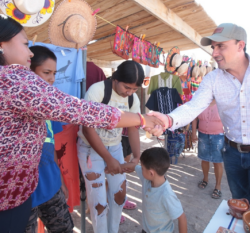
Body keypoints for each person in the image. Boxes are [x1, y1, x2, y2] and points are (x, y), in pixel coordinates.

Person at [0, 15, 164, 232]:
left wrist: (134, 151)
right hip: (10, 196)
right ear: (2, 45)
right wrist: (142, 119)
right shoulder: (14, 79)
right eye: (24, 44)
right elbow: (80, 111)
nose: (30, 52)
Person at [148, 23, 250, 202]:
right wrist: (169, 119)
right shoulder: (213, 78)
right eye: (213, 47)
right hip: (232, 153)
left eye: (221, 46)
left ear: (240, 46)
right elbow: (194, 107)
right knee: (240, 205)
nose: (214, 53)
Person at [77, 60, 144, 233]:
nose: (129, 93)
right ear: (115, 79)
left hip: (115, 147)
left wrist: (136, 157)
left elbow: (133, 127)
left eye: (135, 89)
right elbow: (87, 128)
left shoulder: (132, 99)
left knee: (119, 195)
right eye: (127, 87)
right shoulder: (98, 91)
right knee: (99, 201)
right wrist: (109, 160)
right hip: (90, 150)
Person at [24, 46, 74, 232]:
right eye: (46, 72)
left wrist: (60, 180)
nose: (52, 79)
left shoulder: (49, 107)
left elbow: (51, 146)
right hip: (23, 195)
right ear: (28, 71)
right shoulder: (14, 105)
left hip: (51, 186)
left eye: (54, 73)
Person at [120, 147, 187, 233]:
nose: (141, 169)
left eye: (142, 167)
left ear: (151, 173)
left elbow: (182, 218)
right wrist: (118, 167)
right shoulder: (148, 178)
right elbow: (133, 167)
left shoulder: (166, 194)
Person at [192, 99, 224, 199]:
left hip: (218, 136)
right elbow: (194, 119)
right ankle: (205, 179)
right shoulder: (201, 102)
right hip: (203, 135)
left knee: (217, 161)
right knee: (204, 159)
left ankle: (218, 186)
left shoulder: (222, 102)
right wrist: (193, 134)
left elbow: (229, 119)